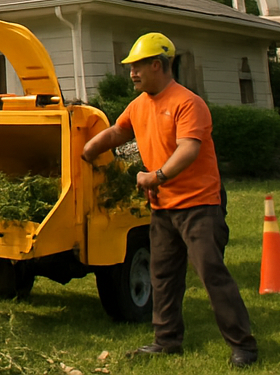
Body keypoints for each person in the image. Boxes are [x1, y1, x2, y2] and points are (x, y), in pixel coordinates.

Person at [81, 32, 257, 367]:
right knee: (162, 276)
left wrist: (155, 176)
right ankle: (166, 340)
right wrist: (90, 148)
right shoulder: (140, 104)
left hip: (199, 205)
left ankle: (243, 346)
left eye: (138, 66)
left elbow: (188, 149)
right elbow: (120, 131)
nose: (132, 73)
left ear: (159, 65)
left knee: (211, 273)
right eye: (130, 67)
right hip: (163, 207)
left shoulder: (187, 103)